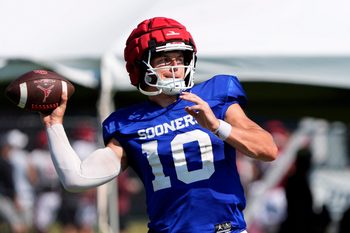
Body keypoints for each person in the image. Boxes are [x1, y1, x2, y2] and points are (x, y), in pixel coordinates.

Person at [40, 17, 278, 233]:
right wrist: (54, 125)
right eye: (164, 59)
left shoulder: (214, 95)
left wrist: (216, 126)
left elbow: (268, 150)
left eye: (180, 58)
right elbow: (77, 178)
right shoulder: (127, 123)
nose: (175, 67)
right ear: (140, 67)